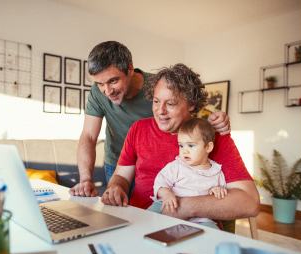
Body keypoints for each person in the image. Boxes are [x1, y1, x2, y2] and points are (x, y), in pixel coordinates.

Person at [101, 64, 260, 225]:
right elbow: (121, 176)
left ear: (191, 104)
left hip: (194, 226)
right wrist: (116, 187)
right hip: (139, 223)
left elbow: (250, 203)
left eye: (170, 103)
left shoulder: (213, 137)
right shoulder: (139, 129)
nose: (160, 111)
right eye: (156, 101)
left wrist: (184, 207)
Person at [69, 41, 231, 197]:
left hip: (151, 161)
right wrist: (85, 180)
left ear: (130, 69)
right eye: (100, 83)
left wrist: (216, 121)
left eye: (113, 81)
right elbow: (89, 136)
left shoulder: (158, 87)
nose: (107, 90)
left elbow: (186, 118)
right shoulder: (98, 92)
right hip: (118, 162)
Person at [148, 118, 227, 230]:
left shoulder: (216, 171)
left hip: (200, 217)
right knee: (146, 219)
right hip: (168, 205)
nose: (184, 151)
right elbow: (160, 182)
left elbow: (222, 195)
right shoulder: (176, 166)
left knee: (214, 232)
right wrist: (166, 194)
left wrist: (217, 190)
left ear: (208, 147)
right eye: (181, 145)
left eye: (190, 146)